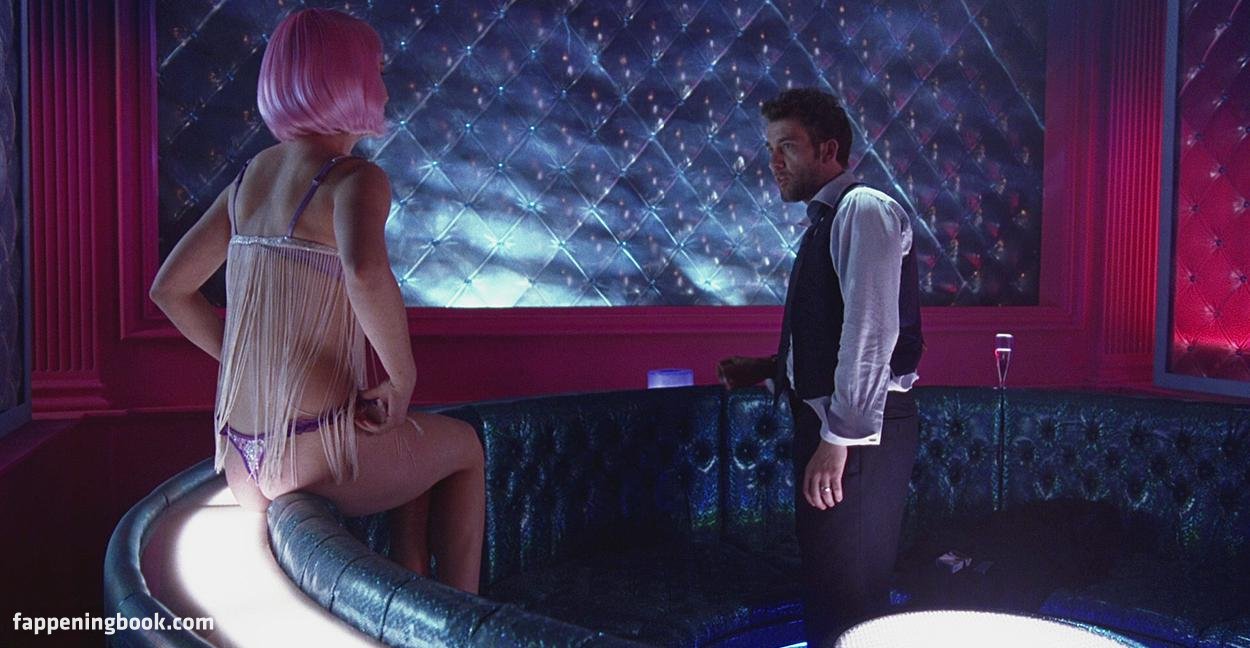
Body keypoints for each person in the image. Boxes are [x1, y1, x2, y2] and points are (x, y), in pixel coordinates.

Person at [149, 8, 485, 593]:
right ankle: (462, 618)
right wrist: (402, 377)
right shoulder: (355, 178)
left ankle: (412, 581)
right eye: (376, 71)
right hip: (311, 452)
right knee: (467, 448)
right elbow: (363, 269)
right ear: (347, 81)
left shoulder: (250, 179)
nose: (384, 87)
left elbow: (169, 290)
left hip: (240, 461)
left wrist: (242, 360)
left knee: (410, 440)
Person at [718, 88, 924, 646]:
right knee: (829, 590)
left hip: (859, 434)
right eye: (770, 148)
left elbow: (870, 334)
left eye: (787, 146)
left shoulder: (863, 209)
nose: (774, 162)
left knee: (848, 598)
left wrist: (838, 440)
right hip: (838, 428)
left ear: (828, 149)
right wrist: (767, 368)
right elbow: (831, 333)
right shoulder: (829, 219)